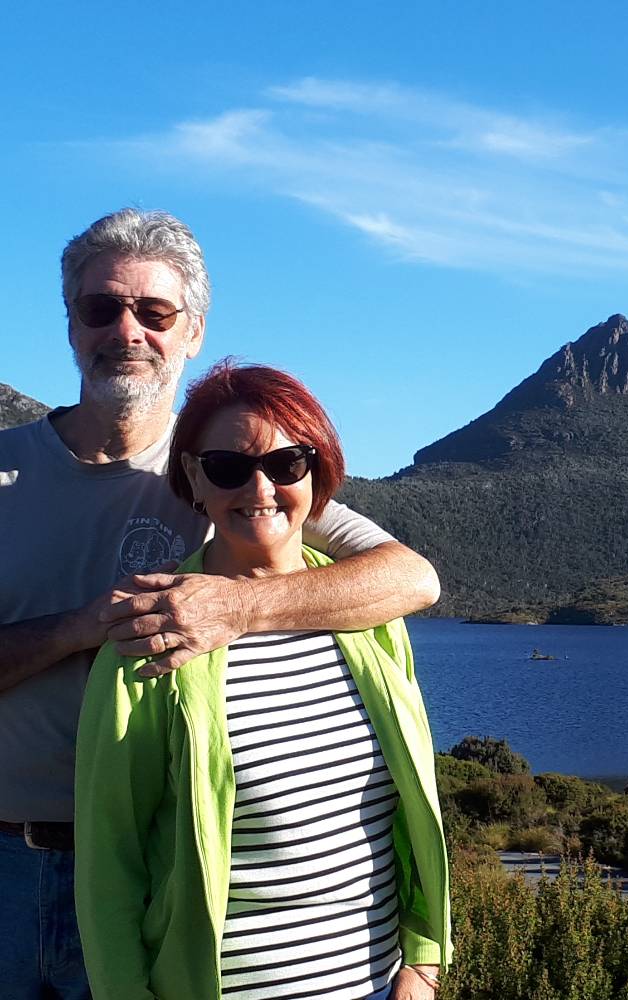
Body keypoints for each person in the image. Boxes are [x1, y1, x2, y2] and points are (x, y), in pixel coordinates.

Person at [0, 209, 441, 999]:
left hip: (164, 869)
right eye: (100, 308)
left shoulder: (232, 465)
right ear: (70, 324)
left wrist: (234, 611)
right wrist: (80, 628)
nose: (126, 330)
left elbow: (408, 578)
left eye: (154, 312)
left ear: (192, 330)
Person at [75, 361, 449, 1000]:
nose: (260, 487)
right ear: (194, 477)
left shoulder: (368, 619)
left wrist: (423, 960)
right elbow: (110, 862)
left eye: (285, 465)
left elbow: (409, 808)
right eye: (228, 467)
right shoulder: (155, 634)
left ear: (319, 471)